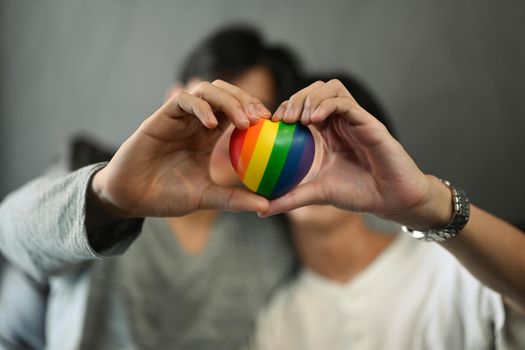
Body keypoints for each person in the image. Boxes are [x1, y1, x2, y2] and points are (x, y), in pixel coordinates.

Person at [0, 26, 303, 350]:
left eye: (252, 118)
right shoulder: (100, 180)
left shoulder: (272, 237)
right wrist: (106, 200)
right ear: (174, 99)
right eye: (217, 103)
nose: (229, 128)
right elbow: (10, 233)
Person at [251, 76, 525, 349]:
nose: (314, 169)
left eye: (338, 147)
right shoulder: (275, 327)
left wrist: (428, 203)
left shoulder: (456, 266)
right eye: (288, 145)